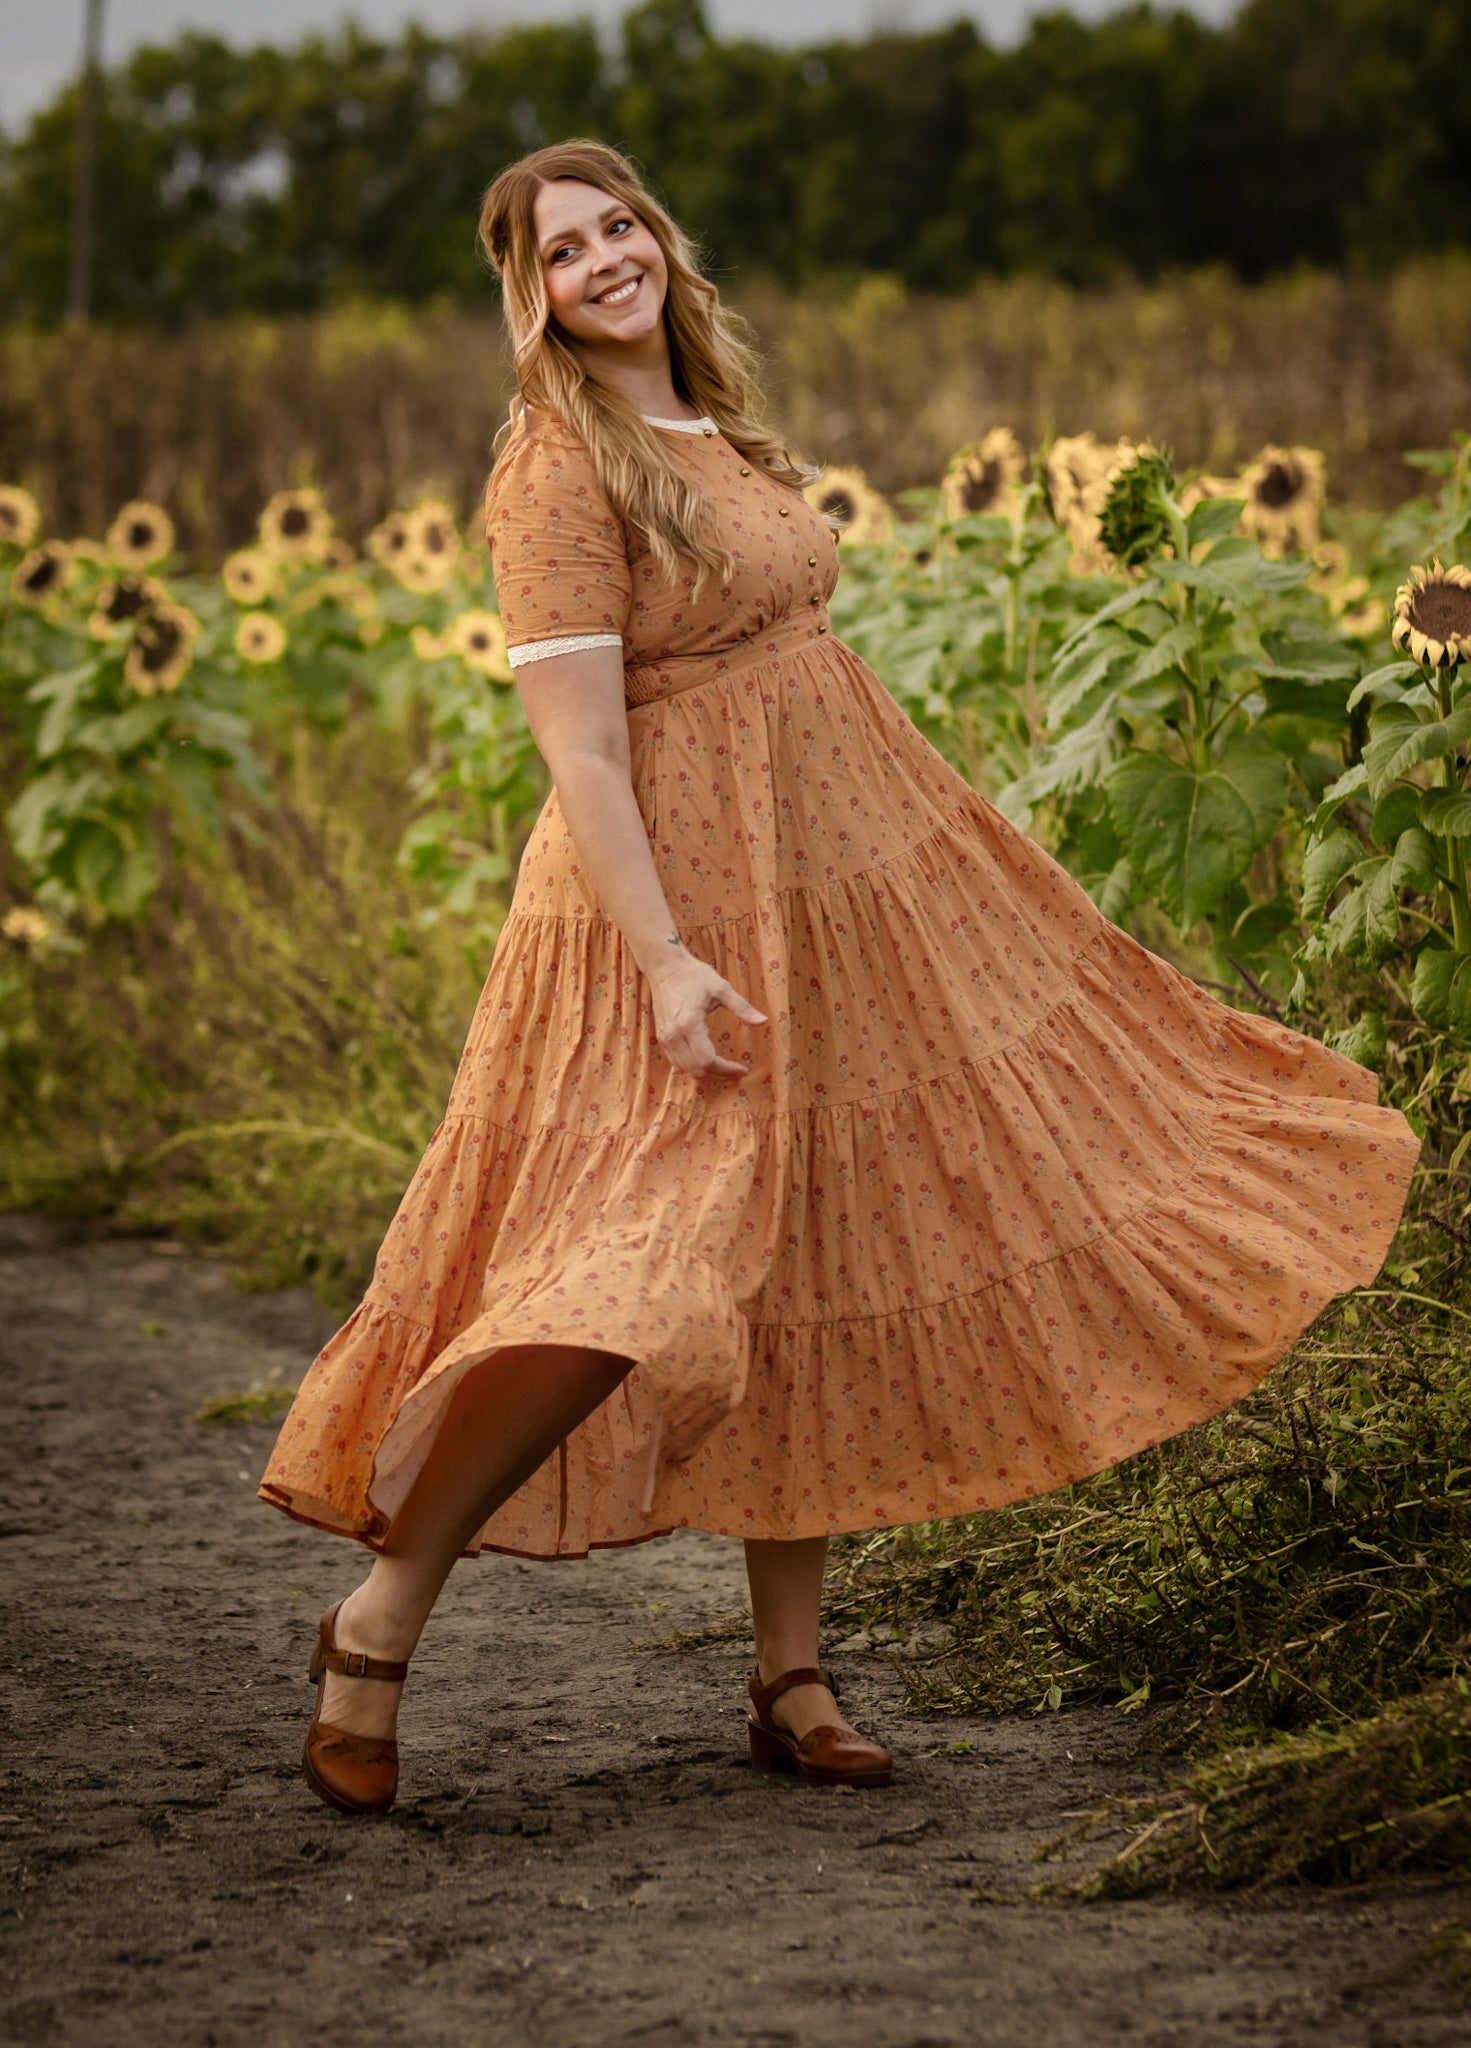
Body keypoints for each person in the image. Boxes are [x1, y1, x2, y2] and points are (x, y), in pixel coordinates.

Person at [257, 139, 1420, 1817]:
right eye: (561, 251)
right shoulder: (552, 468)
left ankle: (790, 1673)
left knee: (811, 1251)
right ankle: (381, 1611)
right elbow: (581, 752)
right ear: (530, 296)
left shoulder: (713, 429)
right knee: (625, 1281)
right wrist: (663, 961)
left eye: (618, 227)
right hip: (662, 916)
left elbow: (791, 663)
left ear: (658, 237)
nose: (603, 261)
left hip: (830, 888)